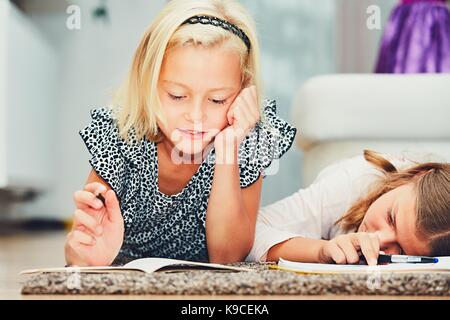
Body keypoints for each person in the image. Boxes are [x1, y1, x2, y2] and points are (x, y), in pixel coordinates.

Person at [64, 0, 296, 267]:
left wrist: (228, 148)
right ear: (147, 81)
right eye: (177, 96)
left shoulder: (249, 138)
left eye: (218, 100)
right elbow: (82, 249)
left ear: (244, 91)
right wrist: (81, 256)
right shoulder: (121, 135)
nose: (196, 117)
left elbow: (228, 258)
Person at [247, 150, 450, 265]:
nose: (379, 240)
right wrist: (320, 251)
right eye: (391, 218)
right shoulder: (358, 180)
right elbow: (247, 233)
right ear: (418, 175)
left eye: (402, 250)